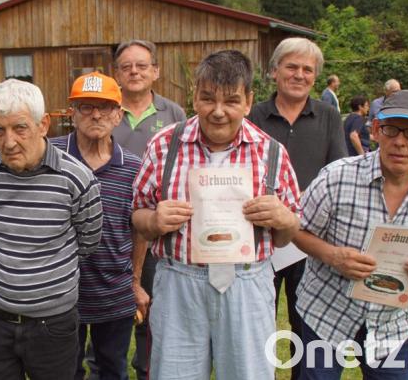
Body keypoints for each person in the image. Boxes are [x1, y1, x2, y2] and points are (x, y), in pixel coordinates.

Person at [131, 50, 301, 380]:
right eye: (208, 98)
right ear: (194, 96)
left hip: (247, 283)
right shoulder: (164, 146)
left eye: (232, 101)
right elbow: (138, 215)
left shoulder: (271, 153)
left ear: (249, 102)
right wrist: (153, 220)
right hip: (179, 281)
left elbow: (288, 233)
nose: (219, 112)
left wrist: (282, 218)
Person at [294, 89, 408, 379]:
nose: (400, 141)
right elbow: (297, 230)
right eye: (390, 129)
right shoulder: (337, 177)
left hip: (394, 323)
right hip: (327, 311)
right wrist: (333, 256)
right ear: (376, 130)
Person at [0, 79, 103, 380]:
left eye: (20, 128)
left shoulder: (77, 180)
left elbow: (87, 242)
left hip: (53, 326)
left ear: (43, 125)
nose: (8, 142)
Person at [246, 38, 347, 379]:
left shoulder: (329, 116)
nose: (299, 75)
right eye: (291, 66)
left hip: (309, 239)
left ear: (315, 77)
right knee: (256, 320)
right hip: (257, 237)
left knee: (307, 324)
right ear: (274, 71)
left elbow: (339, 172)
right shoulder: (253, 114)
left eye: (308, 69)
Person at [50, 72, 145, 380]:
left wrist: (135, 281)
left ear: (119, 115)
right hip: (61, 291)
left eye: (105, 107)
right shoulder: (49, 158)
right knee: (64, 370)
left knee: (112, 369)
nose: (95, 114)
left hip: (113, 291)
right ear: (72, 114)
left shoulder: (133, 167)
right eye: (85, 106)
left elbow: (139, 230)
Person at [110, 40, 186, 380]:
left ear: (156, 71)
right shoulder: (105, 110)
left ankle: (148, 368)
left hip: (155, 230)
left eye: (142, 65)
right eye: (126, 67)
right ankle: (105, 365)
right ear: (116, 74)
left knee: (154, 307)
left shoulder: (174, 114)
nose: (134, 72)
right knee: (110, 310)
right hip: (110, 229)